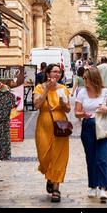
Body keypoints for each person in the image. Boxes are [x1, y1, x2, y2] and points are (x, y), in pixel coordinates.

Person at [75, 66, 107, 202]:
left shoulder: (105, 92)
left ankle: (103, 188)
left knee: (102, 158)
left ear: (93, 79)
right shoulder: (82, 92)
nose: (84, 80)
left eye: (86, 78)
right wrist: (83, 114)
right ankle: (93, 185)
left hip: (103, 127)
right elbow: (77, 112)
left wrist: (106, 109)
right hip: (88, 127)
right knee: (91, 158)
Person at [33, 63, 71, 203]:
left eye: (59, 72)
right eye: (54, 71)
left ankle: (56, 187)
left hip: (60, 127)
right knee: (44, 157)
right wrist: (46, 90)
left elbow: (68, 110)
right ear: (48, 73)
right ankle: (49, 176)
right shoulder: (39, 87)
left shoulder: (63, 89)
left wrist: (64, 104)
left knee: (59, 157)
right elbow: (36, 105)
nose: (57, 74)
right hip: (43, 126)